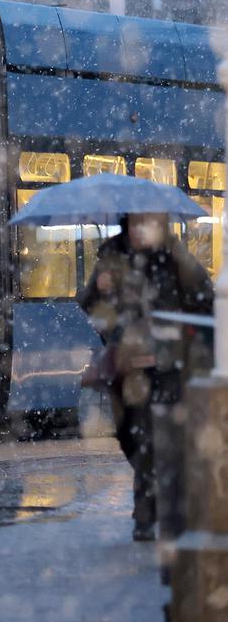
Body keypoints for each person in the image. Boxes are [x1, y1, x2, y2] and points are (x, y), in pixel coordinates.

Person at [79, 211, 211, 541]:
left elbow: (205, 300)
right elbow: (88, 303)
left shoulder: (175, 257)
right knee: (130, 438)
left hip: (167, 366)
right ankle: (158, 496)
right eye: (135, 223)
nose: (140, 230)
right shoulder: (112, 255)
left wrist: (174, 328)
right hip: (126, 366)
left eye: (147, 223)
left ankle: (148, 514)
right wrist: (98, 290)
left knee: (156, 439)